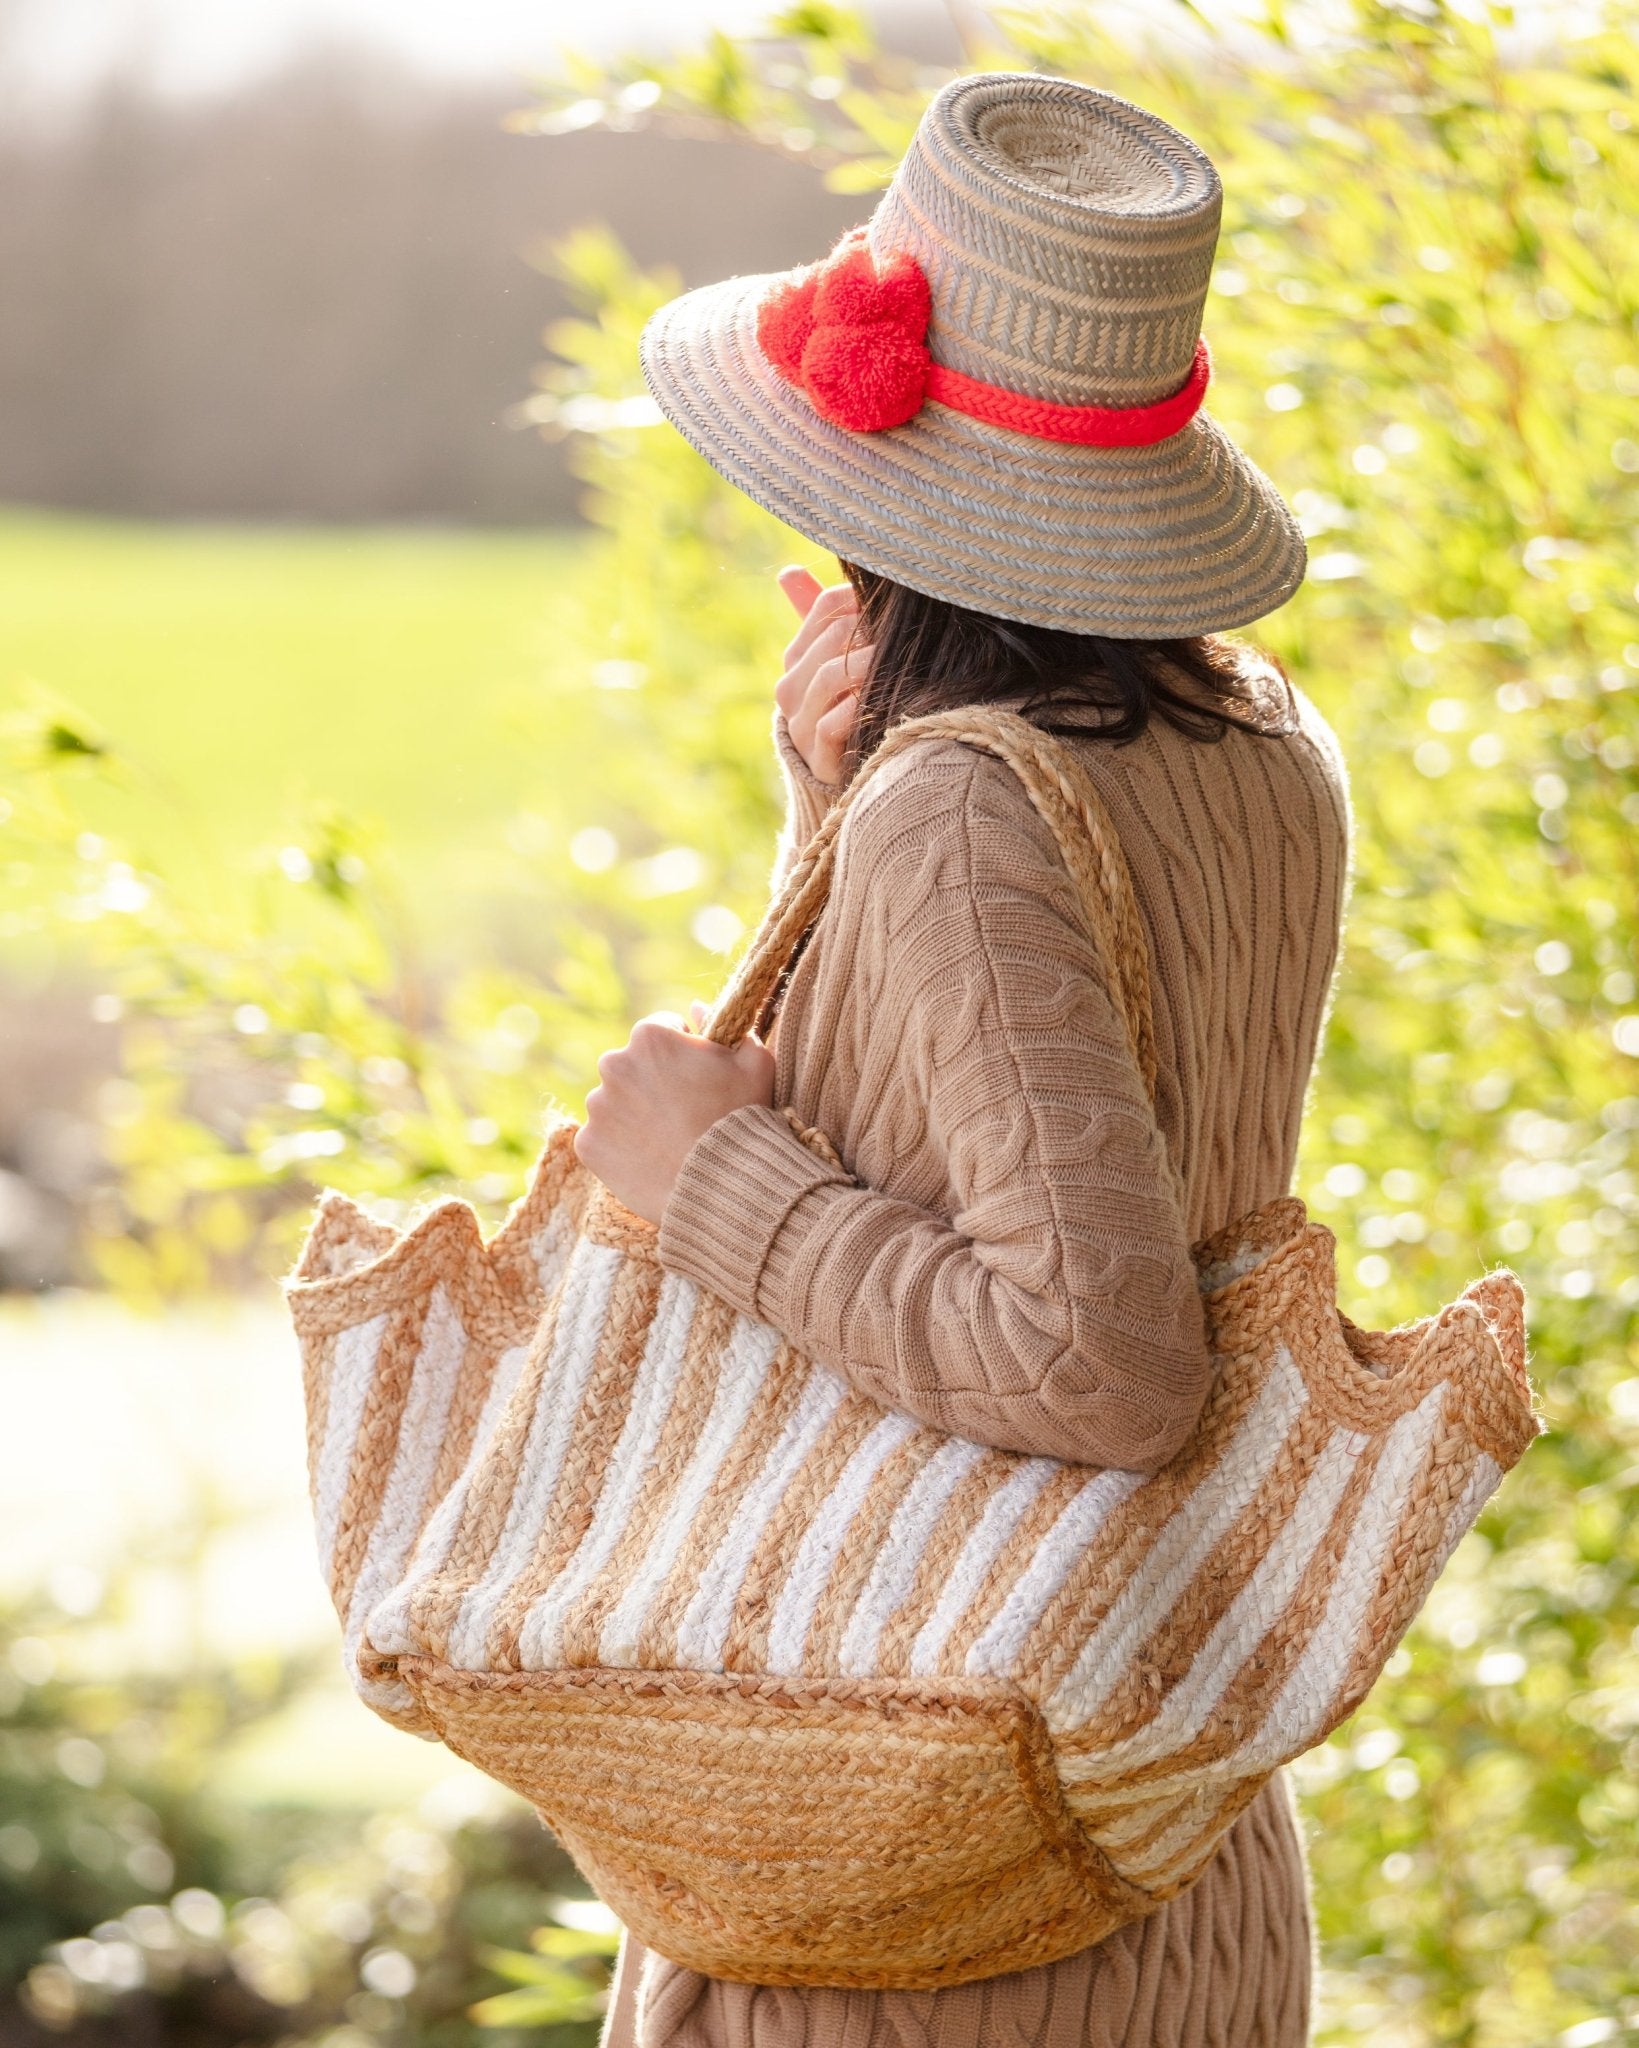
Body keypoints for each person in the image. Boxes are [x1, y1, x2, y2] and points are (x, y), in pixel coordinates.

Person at [573, 70, 1350, 2048]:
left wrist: (705, 1180)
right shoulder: (1260, 747)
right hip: (1153, 1806)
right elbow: (1011, 1113)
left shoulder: (959, 807)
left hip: (923, 1871)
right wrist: (820, 814)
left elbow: (1095, 1355)